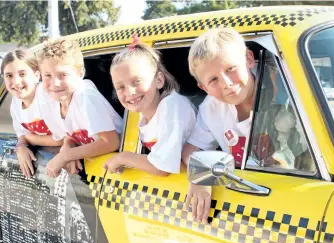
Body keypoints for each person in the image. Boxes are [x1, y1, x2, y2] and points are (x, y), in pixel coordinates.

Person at [181, 28, 257, 224]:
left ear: (249, 59)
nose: (226, 83)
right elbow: (191, 150)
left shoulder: (287, 95)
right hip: (243, 203)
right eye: (213, 80)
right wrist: (200, 174)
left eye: (231, 68)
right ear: (203, 88)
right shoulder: (210, 108)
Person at [103, 36, 196, 176]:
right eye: (120, 87)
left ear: (158, 80)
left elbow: (162, 168)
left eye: (137, 81)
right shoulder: (143, 112)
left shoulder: (172, 107)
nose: (130, 92)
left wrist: (123, 157)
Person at [36, 38, 123, 178]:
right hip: (98, 169)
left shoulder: (85, 97)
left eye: (63, 75)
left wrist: (65, 156)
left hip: (121, 169)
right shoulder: (50, 101)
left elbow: (111, 142)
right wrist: (68, 146)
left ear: (80, 73)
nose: (55, 83)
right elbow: (69, 133)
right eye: (47, 75)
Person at [2, 49, 64, 178]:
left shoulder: (48, 97)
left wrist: (32, 139)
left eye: (22, 74)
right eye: (9, 76)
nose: (16, 82)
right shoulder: (15, 103)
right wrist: (21, 147)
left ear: (36, 75)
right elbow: (22, 134)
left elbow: (66, 138)